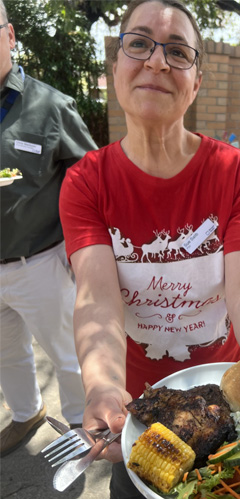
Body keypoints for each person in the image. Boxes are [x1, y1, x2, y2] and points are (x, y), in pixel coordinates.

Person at [58, 1, 240, 496]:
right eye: (139, 43)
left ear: (197, 82)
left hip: (227, 399)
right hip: (139, 411)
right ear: (116, 65)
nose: (158, 61)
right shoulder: (86, 182)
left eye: (178, 52)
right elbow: (97, 300)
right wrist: (101, 385)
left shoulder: (235, 174)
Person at [0, 0, 97, 457]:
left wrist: (84, 253)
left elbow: (92, 181)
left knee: (68, 355)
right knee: (7, 353)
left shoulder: (51, 107)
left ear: (11, 35)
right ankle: (26, 415)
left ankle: (82, 427)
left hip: (40, 261)